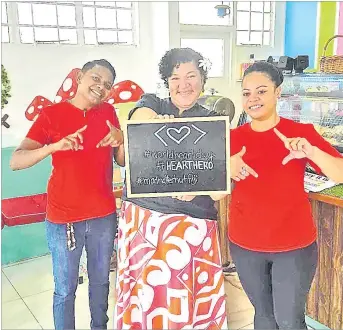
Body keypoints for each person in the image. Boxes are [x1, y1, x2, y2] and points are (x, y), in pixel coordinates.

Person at [115, 48, 228, 329]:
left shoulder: (212, 122)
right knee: (145, 297)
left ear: (202, 79)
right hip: (144, 221)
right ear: (167, 82)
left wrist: (198, 185)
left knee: (183, 299)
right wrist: (152, 123)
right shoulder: (154, 104)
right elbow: (136, 121)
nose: (183, 84)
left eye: (191, 76)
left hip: (192, 226)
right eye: (175, 77)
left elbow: (219, 192)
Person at [10, 59, 124, 330]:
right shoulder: (52, 115)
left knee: (101, 283)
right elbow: (16, 160)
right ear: (80, 76)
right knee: (65, 289)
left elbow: (121, 160)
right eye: (96, 79)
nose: (100, 87)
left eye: (107, 85)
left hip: (103, 217)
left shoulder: (109, 112)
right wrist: (54, 146)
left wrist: (121, 139)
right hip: (64, 221)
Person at [228, 61, 343, 330]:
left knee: (289, 321)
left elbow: (340, 173)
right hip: (245, 246)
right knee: (264, 318)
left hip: (293, 247)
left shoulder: (301, 133)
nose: (252, 99)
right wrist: (225, 167)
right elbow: (213, 191)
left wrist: (312, 152)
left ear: (277, 92)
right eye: (246, 93)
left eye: (261, 91)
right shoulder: (231, 138)